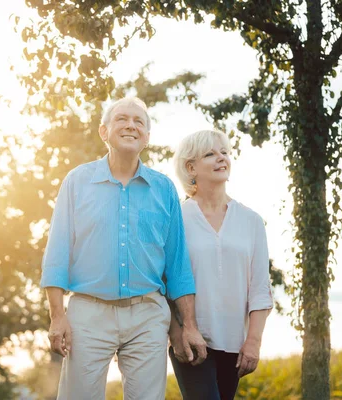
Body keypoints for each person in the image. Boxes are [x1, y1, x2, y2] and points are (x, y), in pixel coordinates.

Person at [40, 97, 207, 400]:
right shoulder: (77, 182)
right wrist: (56, 315)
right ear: (104, 132)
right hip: (88, 314)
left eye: (139, 121)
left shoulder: (164, 188)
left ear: (146, 137)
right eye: (122, 119)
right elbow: (57, 253)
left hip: (147, 315)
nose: (131, 125)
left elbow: (178, 265)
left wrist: (188, 326)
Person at [169, 129, 273, 400]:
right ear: (190, 167)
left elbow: (261, 289)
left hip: (235, 345)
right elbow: (163, 282)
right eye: (210, 154)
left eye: (224, 152)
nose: (221, 158)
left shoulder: (252, 221)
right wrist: (177, 332)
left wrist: (253, 341)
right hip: (191, 341)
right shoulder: (175, 219)